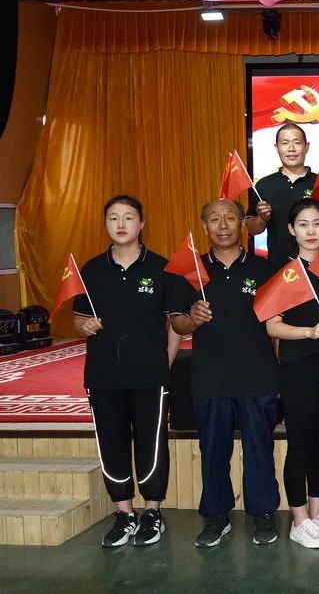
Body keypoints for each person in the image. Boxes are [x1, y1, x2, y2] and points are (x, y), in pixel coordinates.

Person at [169, 199, 280, 548]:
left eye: (230, 218)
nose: (222, 225)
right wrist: (192, 318)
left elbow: (277, 324)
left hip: (257, 374)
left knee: (259, 448)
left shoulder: (264, 269)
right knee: (213, 450)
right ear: (205, 227)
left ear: (243, 224)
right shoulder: (192, 270)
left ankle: (263, 513)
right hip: (210, 375)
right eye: (214, 220)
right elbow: (177, 322)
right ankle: (216, 515)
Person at [73, 194, 182, 548]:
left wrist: (165, 364)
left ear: (142, 223)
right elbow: (78, 319)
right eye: (113, 218)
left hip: (150, 376)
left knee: (152, 445)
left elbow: (176, 324)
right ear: (105, 223)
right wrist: (85, 326)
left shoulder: (162, 268)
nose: (121, 224)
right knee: (112, 443)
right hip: (103, 376)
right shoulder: (92, 270)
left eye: (128, 217)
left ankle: (152, 511)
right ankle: (124, 513)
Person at [265, 200, 319, 549]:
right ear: (291, 230)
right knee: (300, 443)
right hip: (298, 367)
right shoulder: (285, 274)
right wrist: (307, 332)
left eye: (317, 223)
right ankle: (299, 519)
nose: (311, 231)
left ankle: (317, 513)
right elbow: (273, 326)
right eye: (303, 224)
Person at [245, 123, 319, 267]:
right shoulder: (264, 185)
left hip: (316, 266)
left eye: (297, 142)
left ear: (306, 147)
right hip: (278, 266)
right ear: (276, 148)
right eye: (285, 143)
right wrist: (262, 219)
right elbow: (252, 229)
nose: (291, 149)